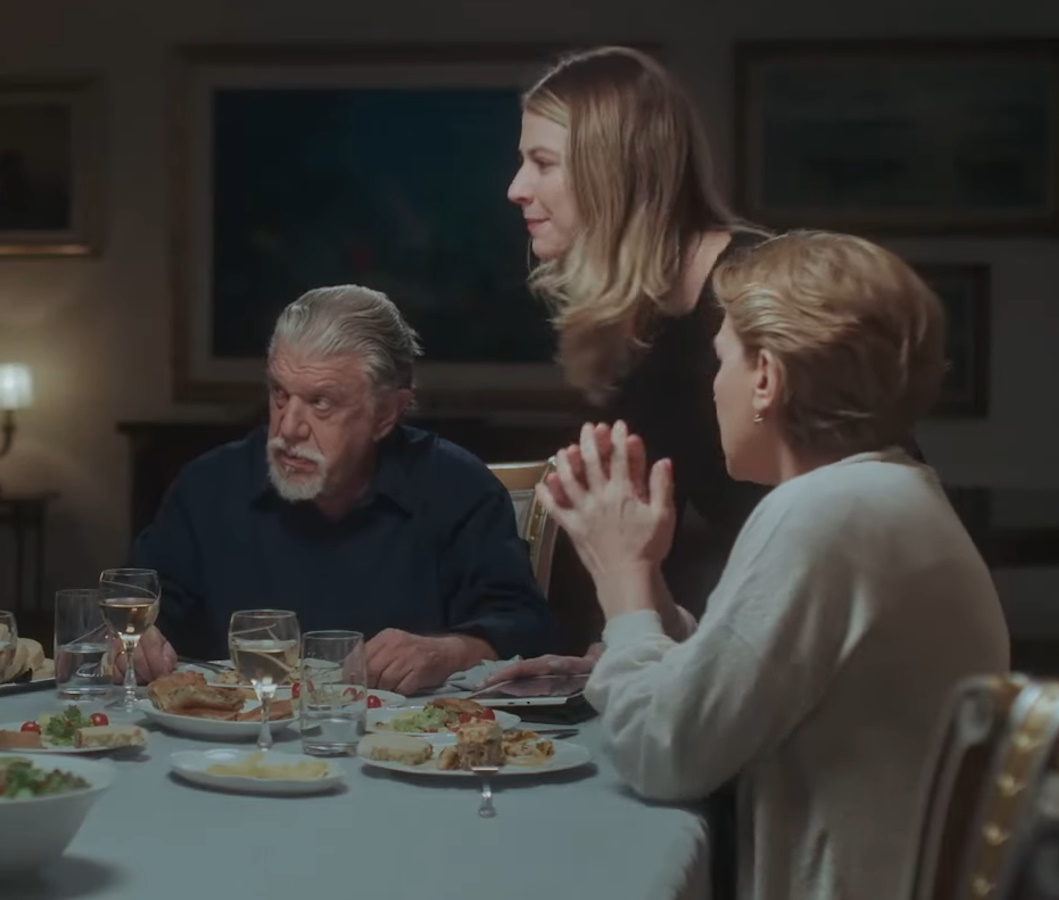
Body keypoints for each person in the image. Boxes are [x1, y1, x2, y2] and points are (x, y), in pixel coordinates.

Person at [536, 231, 1010, 900]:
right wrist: (652, 589)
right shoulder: (884, 494)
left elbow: (664, 751)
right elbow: (740, 690)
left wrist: (620, 581)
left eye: (721, 360)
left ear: (766, 378)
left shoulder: (824, 513)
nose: (713, 388)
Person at [126, 285, 555, 693]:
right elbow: (141, 610)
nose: (288, 428)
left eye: (321, 403)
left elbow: (526, 626)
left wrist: (451, 652)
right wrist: (136, 641)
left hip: (401, 737)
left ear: (386, 414)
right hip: (237, 735)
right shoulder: (209, 487)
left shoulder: (459, 489)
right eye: (280, 394)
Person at [498, 45, 772, 678]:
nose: (516, 189)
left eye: (543, 162)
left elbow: (834, 540)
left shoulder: (756, 297)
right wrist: (611, 657)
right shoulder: (644, 320)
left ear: (614, 170)